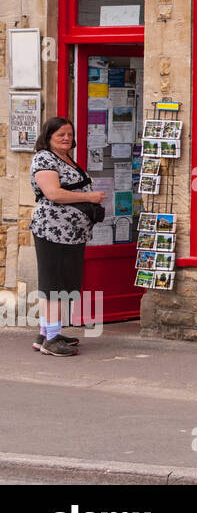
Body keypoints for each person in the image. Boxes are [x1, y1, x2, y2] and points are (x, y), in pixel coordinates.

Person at [29, 117, 105, 358]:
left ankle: (46, 332)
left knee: (59, 282)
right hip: (53, 230)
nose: (66, 138)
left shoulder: (64, 158)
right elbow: (53, 193)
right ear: (48, 136)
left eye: (70, 134)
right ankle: (51, 339)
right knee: (54, 284)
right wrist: (90, 198)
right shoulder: (44, 158)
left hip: (69, 232)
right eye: (60, 134)